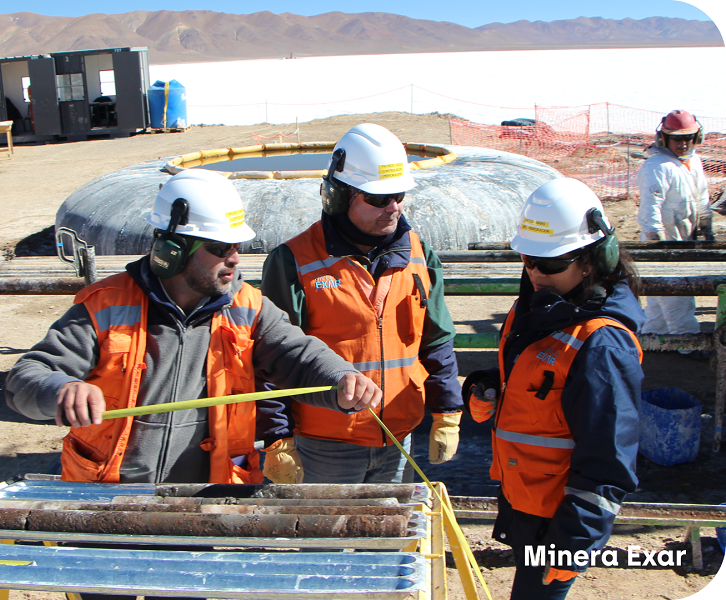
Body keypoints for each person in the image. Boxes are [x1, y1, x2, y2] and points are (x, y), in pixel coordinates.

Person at [6, 168, 381, 485]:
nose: (234, 259)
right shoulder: (105, 305)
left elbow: (297, 355)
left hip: (211, 501)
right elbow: (27, 377)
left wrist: (341, 378)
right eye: (219, 248)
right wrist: (61, 389)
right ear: (173, 250)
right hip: (109, 497)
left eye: (236, 246)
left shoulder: (247, 306)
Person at [462, 178, 644, 600]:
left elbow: (608, 459)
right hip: (524, 500)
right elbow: (536, 378)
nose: (536, 273)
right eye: (529, 260)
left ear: (591, 261)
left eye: (551, 264)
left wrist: (573, 545)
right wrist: (489, 386)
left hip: (557, 519)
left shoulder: (602, 344)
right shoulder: (536, 308)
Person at [259, 123, 463, 485]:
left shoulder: (420, 254)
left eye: (398, 195)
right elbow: (274, 356)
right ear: (339, 197)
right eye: (378, 199)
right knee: (328, 525)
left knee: (391, 522)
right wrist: (278, 437)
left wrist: (447, 410)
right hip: (325, 446)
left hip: (399, 436)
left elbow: (436, 340)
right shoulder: (294, 260)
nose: (393, 207)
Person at [637, 109, 712, 339]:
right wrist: (657, 241)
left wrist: (706, 223)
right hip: (665, 241)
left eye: (688, 138)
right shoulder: (657, 166)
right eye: (677, 139)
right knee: (676, 295)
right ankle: (687, 339)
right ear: (664, 138)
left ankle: (654, 335)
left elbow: (702, 196)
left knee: (659, 301)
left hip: (684, 239)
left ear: (697, 138)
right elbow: (650, 206)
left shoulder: (693, 162)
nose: (683, 144)